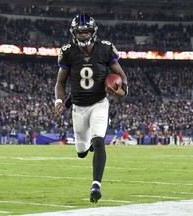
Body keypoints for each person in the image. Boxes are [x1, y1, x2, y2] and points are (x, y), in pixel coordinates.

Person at [54, 14, 128, 203]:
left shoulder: (105, 49)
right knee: (81, 152)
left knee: (98, 141)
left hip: (99, 103)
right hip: (78, 106)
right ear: (74, 33)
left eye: (86, 31)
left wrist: (121, 92)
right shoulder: (69, 51)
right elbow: (60, 81)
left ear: (93, 32)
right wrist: (59, 100)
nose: (84, 35)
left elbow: (121, 75)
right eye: (80, 32)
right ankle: (91, 140)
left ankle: (96, 185)